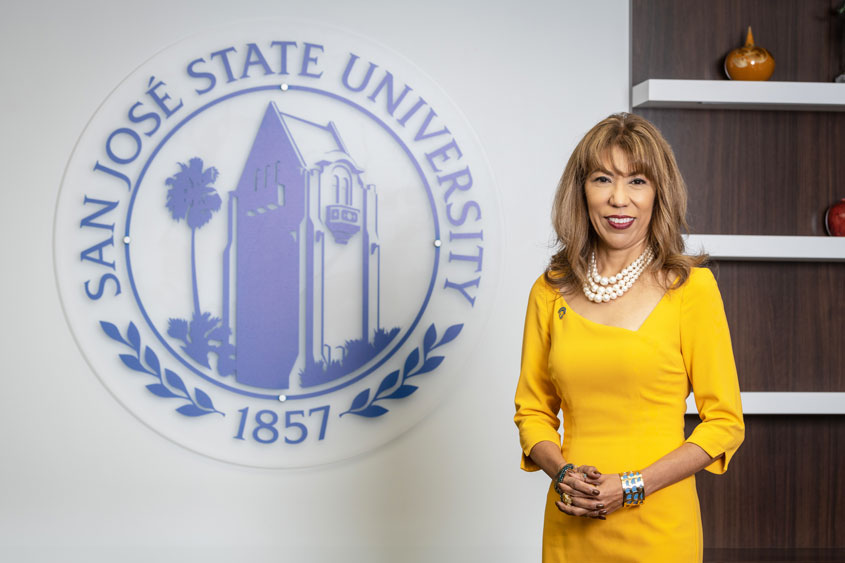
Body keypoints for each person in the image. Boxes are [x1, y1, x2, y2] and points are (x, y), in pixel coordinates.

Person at [513, 113, 744, 562]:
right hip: (571, 525)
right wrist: (562, 474)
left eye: (637, 181)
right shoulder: (549, 290)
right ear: (581, 192)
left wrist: (632, 487)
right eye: (603, 179)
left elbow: (724, 423)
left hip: (660, 530)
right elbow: (533, 411)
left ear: (659, 193)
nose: (619, 199)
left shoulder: (691, 289)